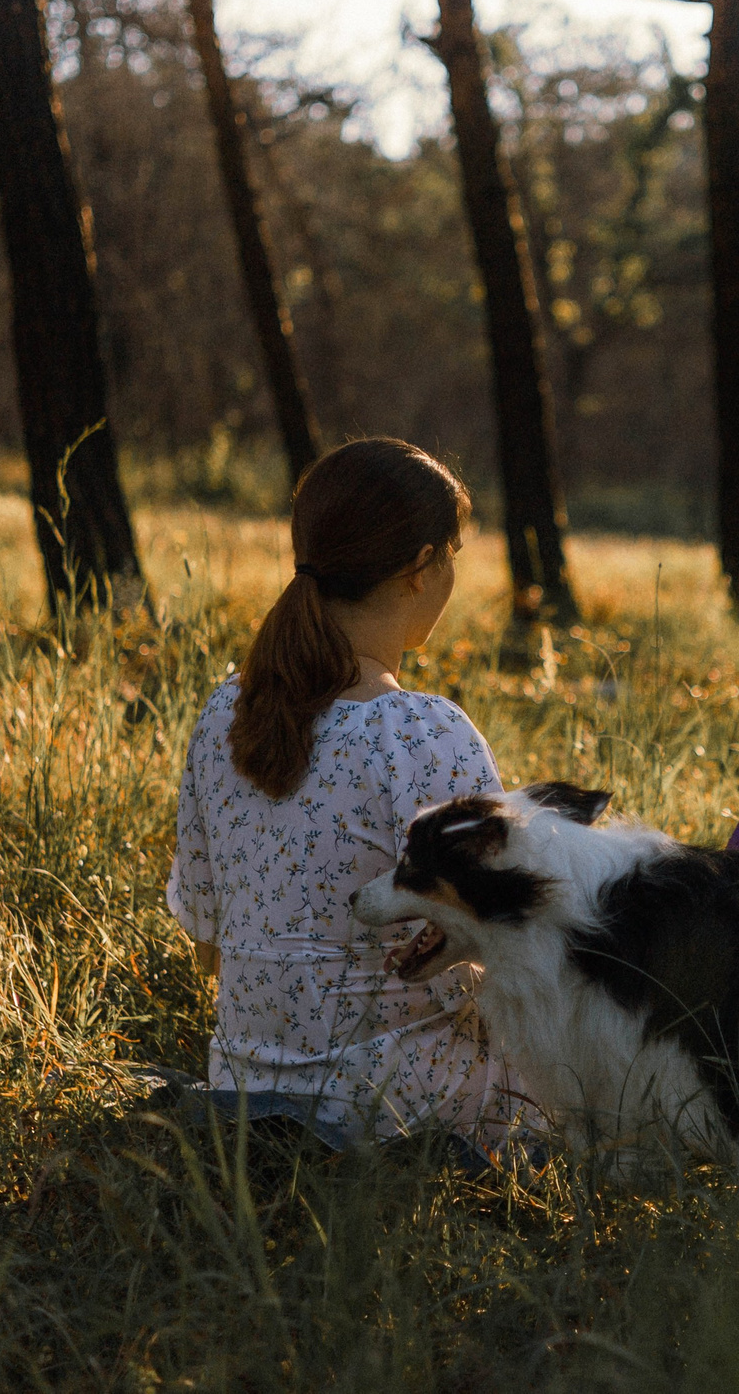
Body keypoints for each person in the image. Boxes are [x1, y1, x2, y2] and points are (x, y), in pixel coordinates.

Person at [161, 438, 523, 1155]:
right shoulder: (420, 731)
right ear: (420, 568)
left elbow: (209, 946)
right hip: (392, 1108)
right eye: (452, 553)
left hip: (241, 1089)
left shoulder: (224, 711)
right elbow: (502, 957)